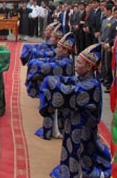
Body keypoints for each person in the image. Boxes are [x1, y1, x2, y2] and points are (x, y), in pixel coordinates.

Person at [39, 43, 111, 177]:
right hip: (73, 126)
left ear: (89, 67)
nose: (75, 65)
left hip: (83, 130)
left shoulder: (91, 85)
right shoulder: (82, 79)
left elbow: (68, 93)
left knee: (80, 159)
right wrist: (53, 80)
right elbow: (68, 80)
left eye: (79, 62)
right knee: (70, 153)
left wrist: (51, 82)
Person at [26, 32, 75, 140]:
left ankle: (59, 129)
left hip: (61, 93)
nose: (56, 50)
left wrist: (35, 63)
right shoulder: (60, 58)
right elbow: (49, 61)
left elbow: (48, 67)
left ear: (66, 51)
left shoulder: (66, 63)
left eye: (59, 48)